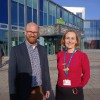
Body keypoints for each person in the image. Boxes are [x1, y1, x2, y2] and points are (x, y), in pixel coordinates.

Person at [8, 22, 51, 100]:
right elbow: (12, 76)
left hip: (39, 90)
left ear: (38, 34)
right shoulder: (15, 50)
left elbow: (45, 71)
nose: (32, 34)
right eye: (30, 32)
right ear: (25, 32)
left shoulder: (43, 50)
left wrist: (47, 87)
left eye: (35, 32)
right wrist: (13, 95)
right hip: (23, 92)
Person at [56, 30, 90, 100]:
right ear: (64, 40)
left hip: (75, 91)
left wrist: (79, 86)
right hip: (60, 89)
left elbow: (87, 74)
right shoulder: (60, 54)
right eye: (67, 38)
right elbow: (60, 71)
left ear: (76, 41)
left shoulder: (82, 56)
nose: (70, 41)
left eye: (72, 38)